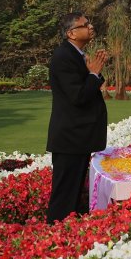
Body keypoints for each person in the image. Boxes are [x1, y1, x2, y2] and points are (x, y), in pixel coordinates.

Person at [46, 12, 110, 223]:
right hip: (70, 138)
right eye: (85, 25)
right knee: (64, 196)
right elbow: (78, 96)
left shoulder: (77, 54)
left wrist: (93, 73)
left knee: (73, 195)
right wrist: (93, 74)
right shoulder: (63, 56)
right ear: (71, 33)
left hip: (78, 138)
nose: (90, 27)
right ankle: (54, 234)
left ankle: (68, 234)